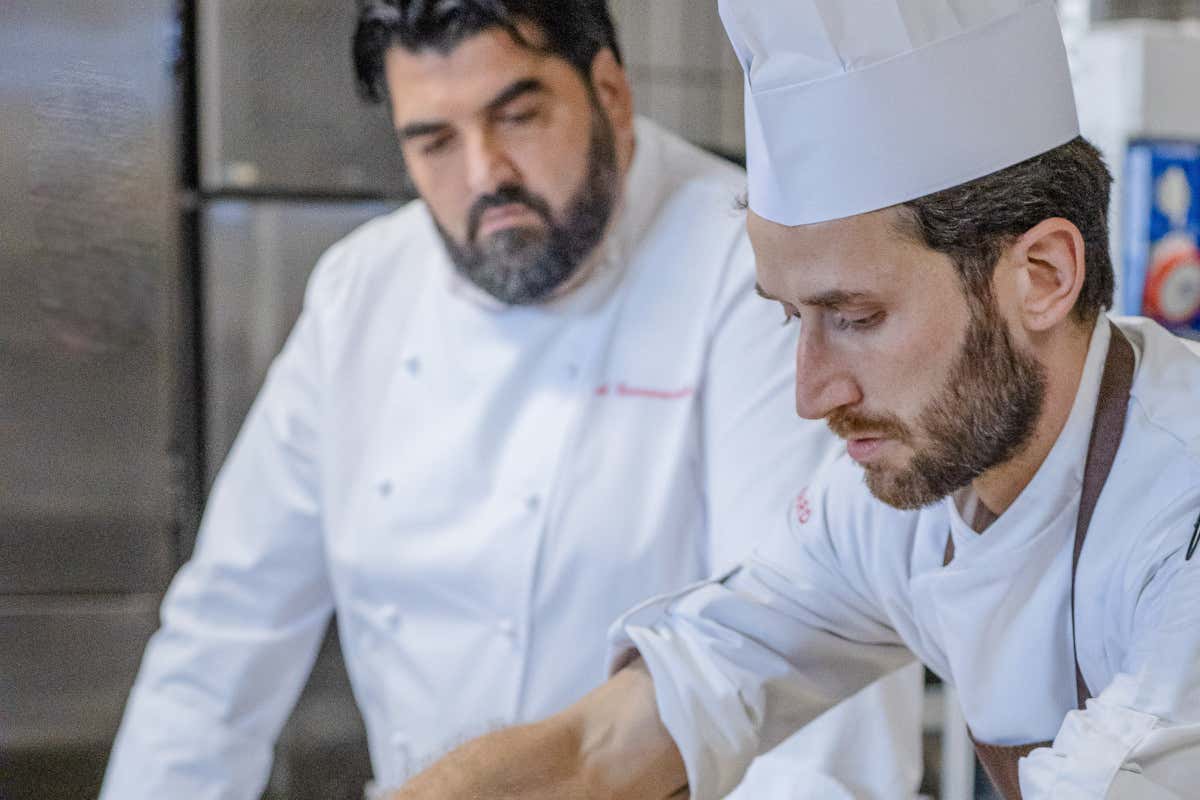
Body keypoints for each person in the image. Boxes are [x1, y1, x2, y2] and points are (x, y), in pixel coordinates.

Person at [99, 2, 927, 798]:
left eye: (518, 117)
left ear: (610, 92)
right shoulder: (361, 292)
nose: (485, 175)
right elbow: (221, 648)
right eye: (433, 143)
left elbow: (808, 669)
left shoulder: (746, 270)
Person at [380, 1, 1200, 799]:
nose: (812, 394)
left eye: (856, 318)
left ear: (1044, 276)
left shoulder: (1178, 509)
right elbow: (620, 739)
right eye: (791, 317)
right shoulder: (902, 503)